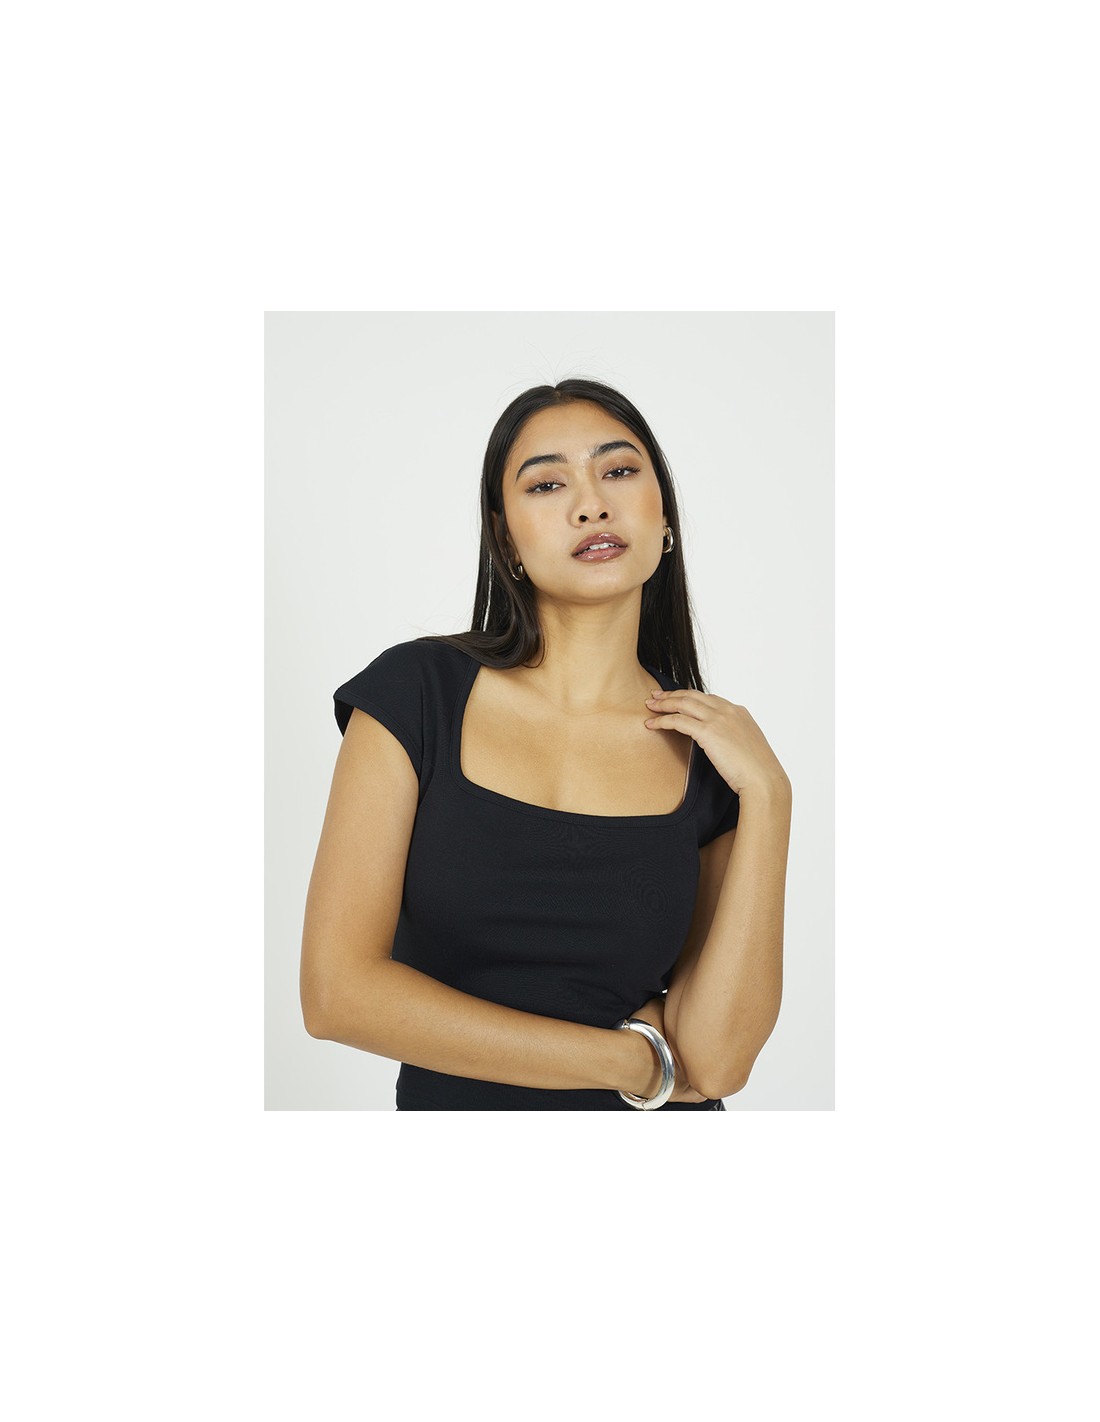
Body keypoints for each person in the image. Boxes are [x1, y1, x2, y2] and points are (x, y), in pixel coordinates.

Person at [300, 377, 792, 1110]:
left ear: (664, 517)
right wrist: (630, 1063)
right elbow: (336, 994)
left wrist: (772, 798)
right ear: (506, 538)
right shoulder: (418, 695)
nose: (591, 504)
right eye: (547, 484)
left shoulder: (712, 753)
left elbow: (717, 1063)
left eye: (618, 471)